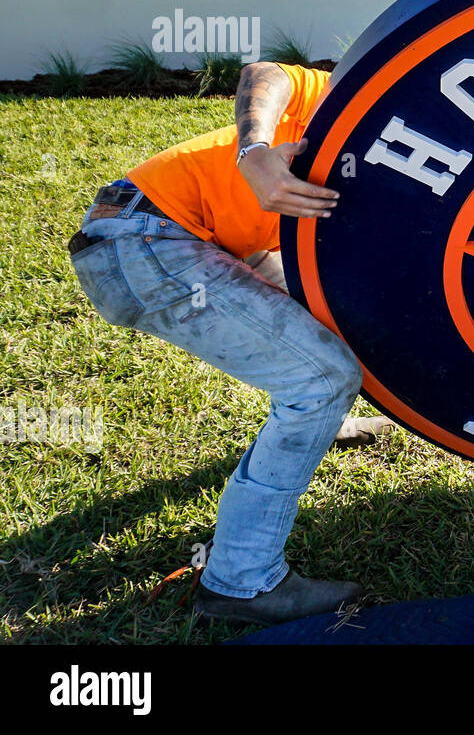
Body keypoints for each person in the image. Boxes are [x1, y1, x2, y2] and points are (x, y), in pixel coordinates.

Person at [68, 61, 393, 625]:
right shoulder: (354, 95)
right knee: (320, 380)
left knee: (334, 313)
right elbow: (263, 72)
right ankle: (239, 582)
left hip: (176, 239)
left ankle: (323, 423)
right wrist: (256, 152)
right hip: (146, 238)